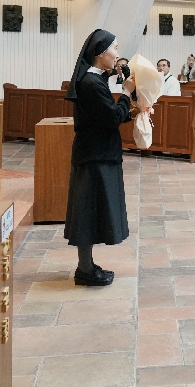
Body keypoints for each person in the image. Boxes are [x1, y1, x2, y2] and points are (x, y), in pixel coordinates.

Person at [64, 29, 139, 286]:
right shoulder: (91, 83)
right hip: (95, 156)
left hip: (96, 153)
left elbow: (105, 115)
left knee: (92, 211)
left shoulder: (94, 79)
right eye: (114, 49)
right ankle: (85, 269)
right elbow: (111, 117)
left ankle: (87, 265)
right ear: (100, 53)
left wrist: (129, 107)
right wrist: (126, 94)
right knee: (87, 212)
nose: (117, 55)